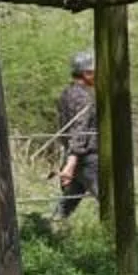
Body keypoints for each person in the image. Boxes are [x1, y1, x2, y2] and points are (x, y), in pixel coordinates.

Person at [52, 48, 99, 225]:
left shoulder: (67, 93)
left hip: (74, 154)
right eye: (95, 71)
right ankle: (115, 236)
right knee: (110, 200)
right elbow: (79, 129)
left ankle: (50, 229)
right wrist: (72, 162)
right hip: (86, 157)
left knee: (68, 202)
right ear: (87, 73)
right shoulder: (84, 97)